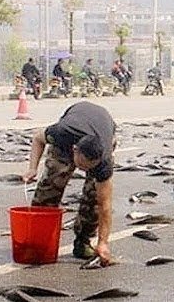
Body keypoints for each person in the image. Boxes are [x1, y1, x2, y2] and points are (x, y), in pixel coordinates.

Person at [24, 101, 116, 265]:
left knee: (94, 196)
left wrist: (103, 242)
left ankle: (83, 241)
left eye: (88, 169)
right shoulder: (62, 134)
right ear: (74, 150)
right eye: (81, 166)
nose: (82, 170)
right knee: (51, 184)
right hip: (73, 127)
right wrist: (32, 169)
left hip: (104, 128)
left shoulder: (104, 162)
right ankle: (39, 241)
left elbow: (105, 205)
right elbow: (38, 138)